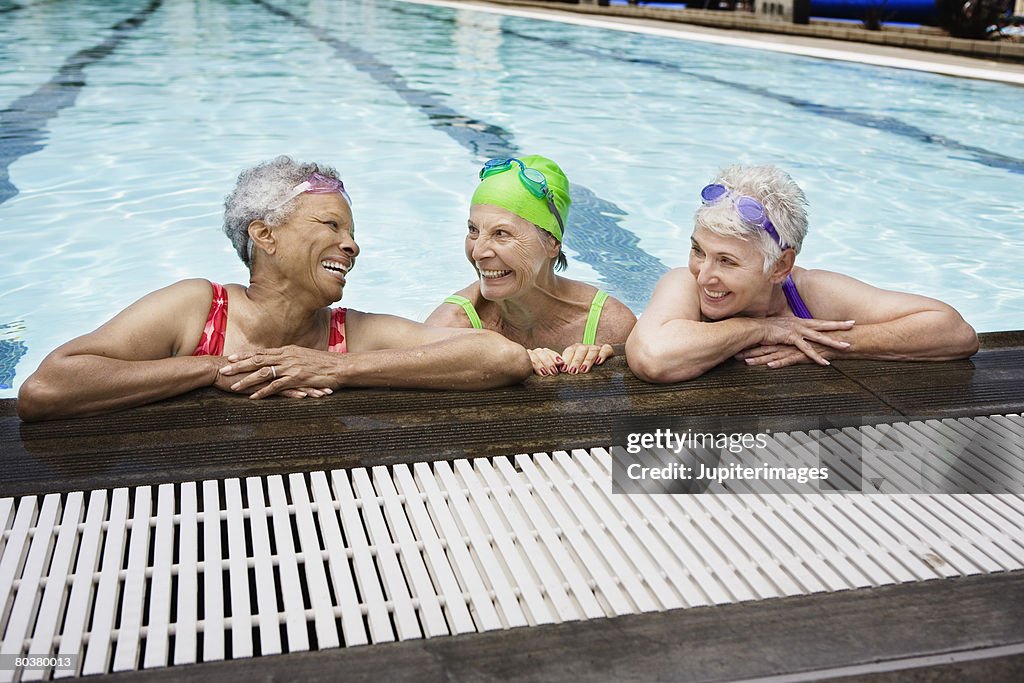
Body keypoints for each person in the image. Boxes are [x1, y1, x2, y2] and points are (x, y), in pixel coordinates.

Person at [17, 156, 532, 421]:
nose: (351, 246)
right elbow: (47, 389)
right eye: (331, 226)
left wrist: (336, 367)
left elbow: (502, 358)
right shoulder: (198, 308)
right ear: (263, 234)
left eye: (352, 234)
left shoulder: (349, 333)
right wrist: (211, 368)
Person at [626, 165, 979, 383]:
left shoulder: (810, 292)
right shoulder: (683, 284)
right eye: (698, 250)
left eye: (727, 261)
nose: (705, 275)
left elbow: (955, 332)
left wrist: (831, 344)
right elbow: (653, 358)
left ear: (780, 266)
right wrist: (762, 329)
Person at [426, 155, 635, 376]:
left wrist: (603, 369)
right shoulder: (451, 324)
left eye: (501, 234)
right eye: (473, 230)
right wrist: (504, 359)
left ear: (552, 244)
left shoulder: (609, 325)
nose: (478, 252)